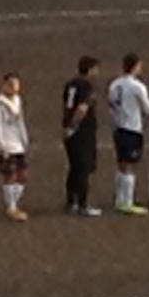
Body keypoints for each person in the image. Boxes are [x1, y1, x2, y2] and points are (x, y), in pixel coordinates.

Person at [108, 53, 149, 216]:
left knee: (121, 164)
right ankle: (127, 202)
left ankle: (119, 199)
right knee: (130, 165)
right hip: (133, 129)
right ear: (135, 66)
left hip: (119, 128)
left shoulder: (114, 85)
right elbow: (147, 108)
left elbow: (111, 105)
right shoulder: (137, 86)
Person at [62, 56, 103, 217]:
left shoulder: (70, 84)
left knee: (73, 167)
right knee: (83, 168)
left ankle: (71, 201)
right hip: (82, 131)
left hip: (68, 129)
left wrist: (67, 127)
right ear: (91, 69)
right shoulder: (86, 86)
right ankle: (83, 204)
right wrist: (74, 126)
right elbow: (81, 109)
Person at [0, 73, 32, 222]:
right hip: (7, 145)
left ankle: (14, 203)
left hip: (18, 144)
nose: (15, 87)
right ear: (5, 85)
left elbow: (20, 122)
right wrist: (0, 146)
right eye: (11, 84)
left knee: (23, 175)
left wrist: (24, 139)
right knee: (11, 176)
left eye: (17, 84)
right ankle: (11, 207)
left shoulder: (17, 100)